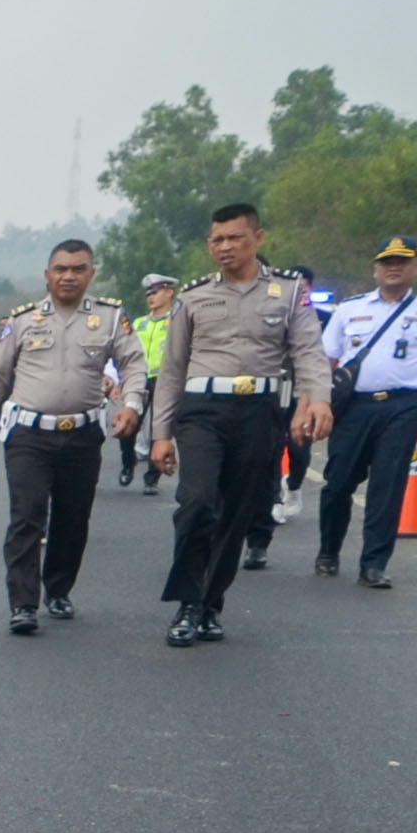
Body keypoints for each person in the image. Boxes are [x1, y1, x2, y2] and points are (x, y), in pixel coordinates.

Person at [145, 202, 332, 647]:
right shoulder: (193, 297)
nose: (225, 247)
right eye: (217, 240)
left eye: (234, 238)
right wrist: (160, 435)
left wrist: (318, 399)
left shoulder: (288, 294)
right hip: (203, 411)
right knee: (196, 502)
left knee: (235, 514)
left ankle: (210, 605)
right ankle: (187, 603)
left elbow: (308, 350)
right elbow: (172, 370)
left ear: (258, 238)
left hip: (259, 414)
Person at [0, 241, 140, 634]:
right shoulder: (23, 321)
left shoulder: (110, 319)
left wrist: (131, 404)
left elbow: (133, 364)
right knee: (27, 516)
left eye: (78, 268)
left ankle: (58, 589)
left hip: (82, 434)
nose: (69, 276)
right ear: (47, 275)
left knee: (73, 518)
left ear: (91, 274)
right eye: (60, 268)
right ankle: (23, 603)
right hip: (28, 434)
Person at [312, 236, 417, 591]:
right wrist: (316, 405)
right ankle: (329, 550)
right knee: (338, 483)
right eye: (387, 262)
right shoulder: (349, 310)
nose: (394, 267)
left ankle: (374, 564)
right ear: (375, 269)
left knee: (387, 487)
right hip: (354, 408)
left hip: (402, 407)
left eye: (402, 262)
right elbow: (325, 362)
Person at [120, 273, 177, 491]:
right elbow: (126, 354)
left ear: (169, 293)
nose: (151, 298)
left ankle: (152, 477)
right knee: (127, 425)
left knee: (159, 427)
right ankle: (128, 462)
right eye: (148, 294)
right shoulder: (138, 323)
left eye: (156, 293)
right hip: (140, 380)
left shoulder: (176, 322)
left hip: (166, 381)